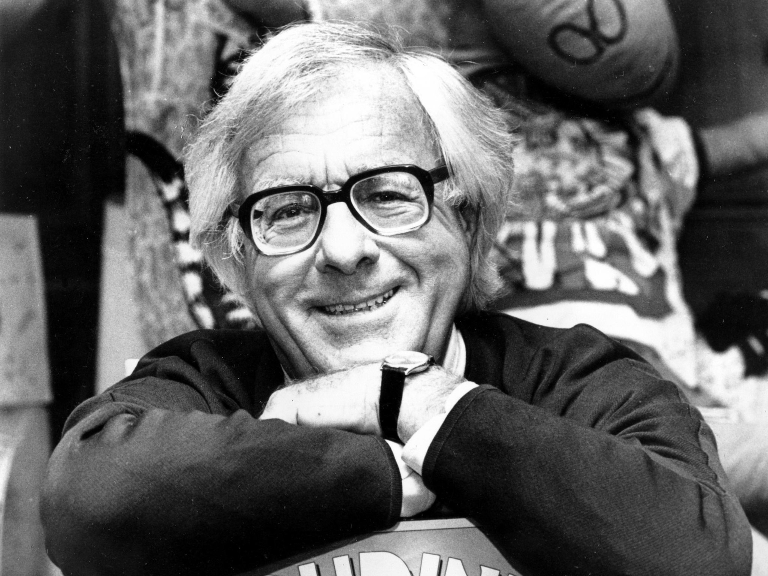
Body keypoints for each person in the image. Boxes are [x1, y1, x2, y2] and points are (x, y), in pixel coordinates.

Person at [42, 21, 752, 576]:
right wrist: (383, 472)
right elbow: (89, 502)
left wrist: (417, 406)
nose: (343, 249)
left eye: (386, 195)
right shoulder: (203, 383)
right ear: (238, 258)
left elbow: (698, 556)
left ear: (466, 219)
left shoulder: (579, 380)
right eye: (287, 211)